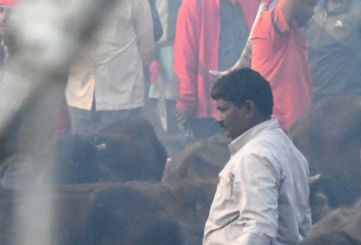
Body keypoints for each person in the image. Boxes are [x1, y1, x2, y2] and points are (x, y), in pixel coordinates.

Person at [203, 68, 311, 245]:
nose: (218, 118)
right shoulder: (289, 150)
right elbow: (303, 224)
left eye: (224, 110)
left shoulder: (254, 157)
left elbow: (259, 227)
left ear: (249, 108)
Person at [65, 0, 157, 134]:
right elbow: (146, 46)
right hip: (117, 93)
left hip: (89, 95)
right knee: (116, 151)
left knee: (84, 151)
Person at [174, 0, 258, 141]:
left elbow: (185, 57)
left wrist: (186, 103)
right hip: (242, 108)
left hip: (215, 110)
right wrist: (186, 100)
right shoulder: (195, 5)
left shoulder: (194, 5)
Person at [249, 0, 316, 130]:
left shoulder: (295, 31)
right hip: (280, 127)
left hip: (297, 127)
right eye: (309, 5)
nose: (313, 12)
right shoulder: (270, 25)